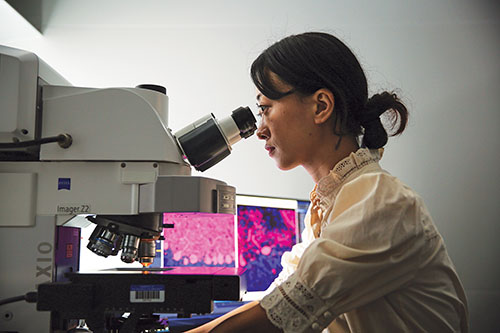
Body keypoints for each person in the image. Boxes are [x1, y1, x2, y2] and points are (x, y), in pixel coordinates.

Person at [187, 32, 468, 332]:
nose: (260, 130)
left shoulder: (381, 203)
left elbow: (278, 318)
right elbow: (275, 299)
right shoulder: (328, 207)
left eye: (265, 108)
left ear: (321, 106)